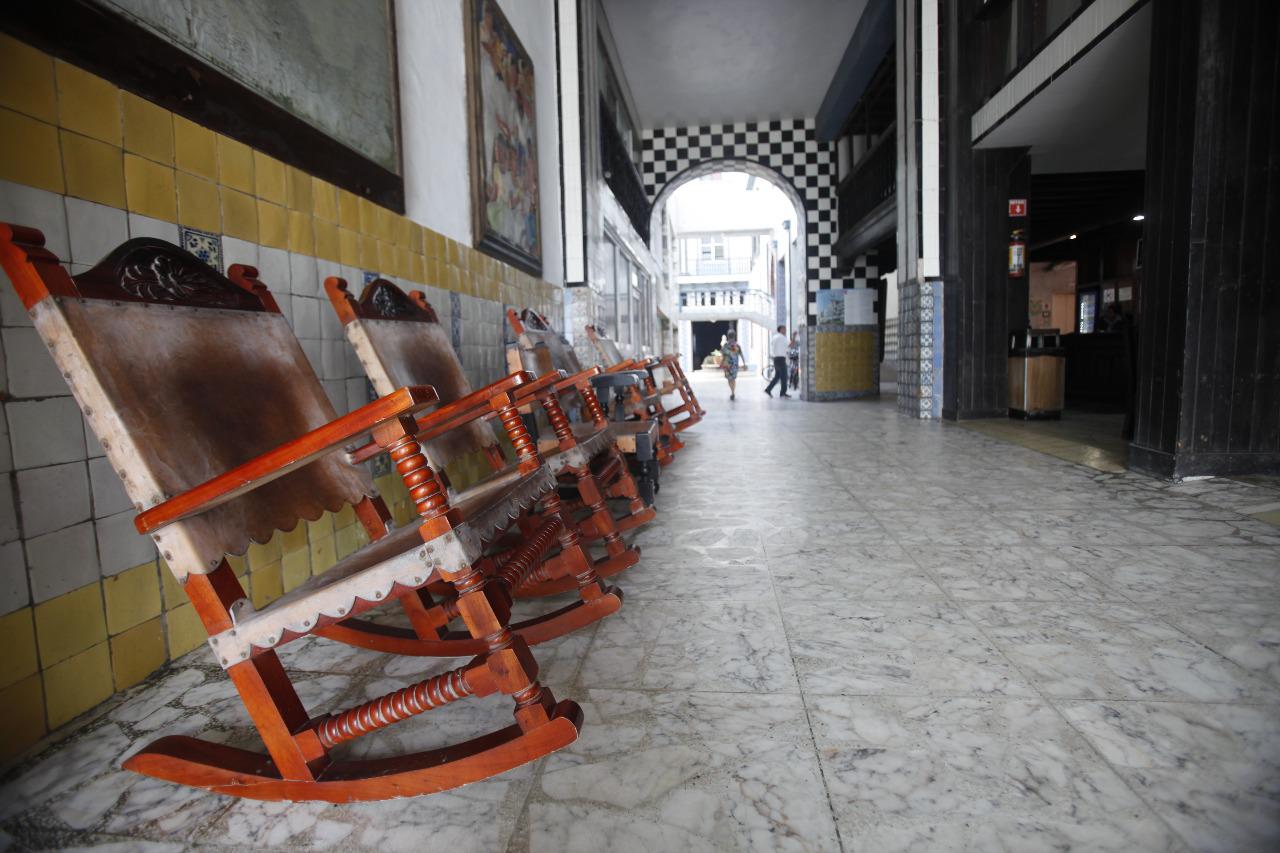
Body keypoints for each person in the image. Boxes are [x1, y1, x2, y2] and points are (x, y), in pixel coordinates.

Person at [764, 325, 790, 398]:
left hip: (776, 359)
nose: (785, 331)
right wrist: (794, 337)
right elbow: (790, 345)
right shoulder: (782, 337)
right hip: (781, 359)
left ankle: (768, 389)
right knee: (784, 376)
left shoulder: (774, 337)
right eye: (784, 329)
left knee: (777, 376)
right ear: (781, 330)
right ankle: (783, 393)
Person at [720, 330, 745, 400]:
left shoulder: (725, 345)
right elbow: (741, 355)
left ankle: (732, 392)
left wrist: (721, 363)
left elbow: (722, 355)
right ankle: (733, 392)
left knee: (729, 379)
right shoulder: (737, 346)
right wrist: (744, 363)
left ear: (728, 336)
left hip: (727, 365)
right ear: (734, 336)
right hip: (734, 365)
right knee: (733, 379)